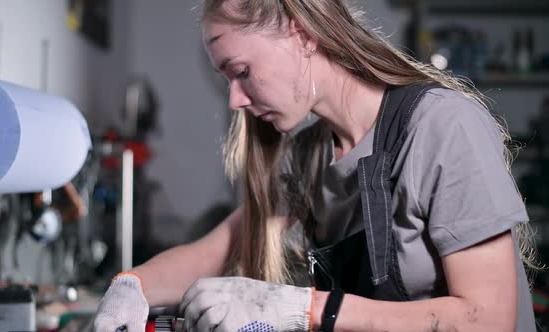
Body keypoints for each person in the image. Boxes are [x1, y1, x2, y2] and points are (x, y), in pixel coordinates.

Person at [93, 0, 540, 331]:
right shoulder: (309, 155)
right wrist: (131, 285)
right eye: (226, 79)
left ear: (302, 34)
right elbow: (220, 248)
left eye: (242, 71)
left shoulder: (440, 126)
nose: (234, 99)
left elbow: (488, 320)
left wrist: (305, 309)